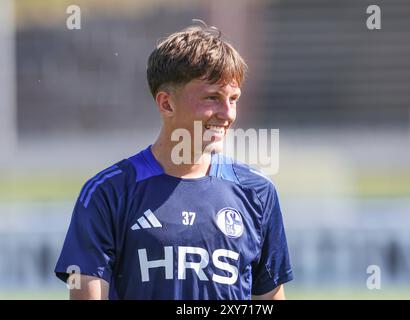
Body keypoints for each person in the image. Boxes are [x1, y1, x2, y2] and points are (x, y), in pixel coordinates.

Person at [54, 20, 293, 300]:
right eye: (212, 97)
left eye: (234, 98)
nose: (227, 113)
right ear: (166, 103)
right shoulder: (108, 193)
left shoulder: (257, 191)